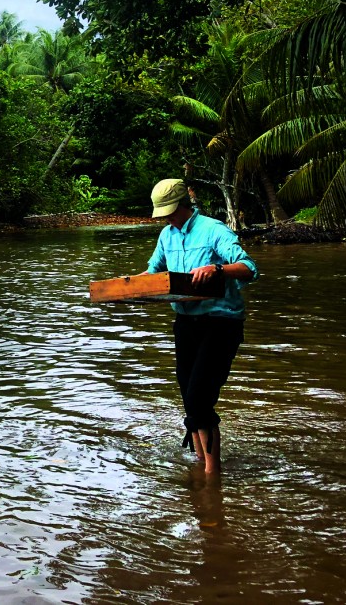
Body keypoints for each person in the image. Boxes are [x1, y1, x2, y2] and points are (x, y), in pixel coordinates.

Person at [146, 178, 258, 474]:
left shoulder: (214, 230)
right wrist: (126, 287)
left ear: (185, 205)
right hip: (186, 322)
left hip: (220, 322)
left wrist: (217, 269)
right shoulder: (167, 236)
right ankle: (200, 463)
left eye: (170, 211)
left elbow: (249, 269)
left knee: (198, 396)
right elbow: (152, 273)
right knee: (188, 395)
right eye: (163, 213)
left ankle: (211, 474)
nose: (167, 217)